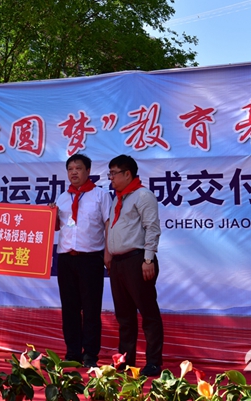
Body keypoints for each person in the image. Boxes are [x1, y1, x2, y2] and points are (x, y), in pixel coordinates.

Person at [105, 154, 163, 376]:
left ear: (127, 173)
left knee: (148, 313)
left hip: (138, 260)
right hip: (118, 262)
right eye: (110, 173)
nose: (111, 178)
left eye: (114, 173)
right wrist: (109, 254)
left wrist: (148, 259)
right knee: (124, 316)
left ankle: (153, 362)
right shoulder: (118, 198)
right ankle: (125, 361)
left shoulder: (143, 195)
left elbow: (152, 228)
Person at [52, 154, 112, 367]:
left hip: (91, 259)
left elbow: (109, 224)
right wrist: (50, 216)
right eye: (70, 169)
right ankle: (73, 353)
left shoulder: (100, 195)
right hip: (66, 259)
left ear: (88, 171)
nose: (74, 172)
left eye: (78, 168)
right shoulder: (62, 198)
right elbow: (57, 226)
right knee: (69, 308)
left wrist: (108, 253)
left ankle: (90, 355)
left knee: (91, 308)